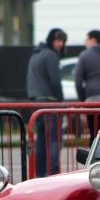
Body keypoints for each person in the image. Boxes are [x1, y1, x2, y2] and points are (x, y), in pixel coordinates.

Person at [26, 28, 67, 177]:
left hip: (37, 103)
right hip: (50, 103)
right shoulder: (50, 55)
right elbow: (55, 81)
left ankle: (40, 174)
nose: (60, 44)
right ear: (51, 41)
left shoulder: (35, 55)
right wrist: (61, 101)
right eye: (58, 41)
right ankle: (54, 173)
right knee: (54, 140)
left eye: (62, 41)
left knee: (41, 141)